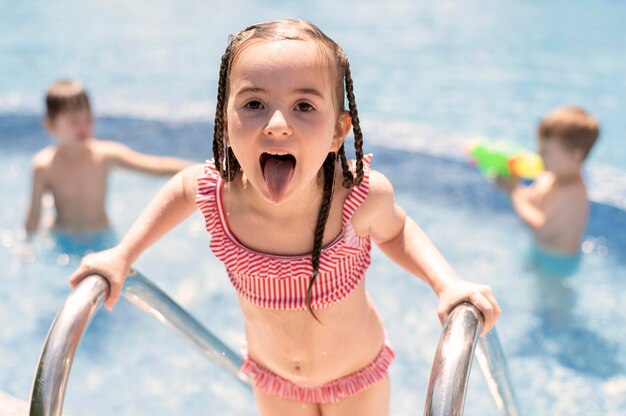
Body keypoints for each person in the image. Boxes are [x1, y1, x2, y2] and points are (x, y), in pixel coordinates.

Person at [68, 20, 500, 416]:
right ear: (224, 122)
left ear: (338, 132)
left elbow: (399, 230)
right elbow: (179, 191)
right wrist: (122, 256)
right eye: (254, 103)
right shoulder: (220, 195)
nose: (276, 125)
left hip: (354, 380)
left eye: (305, 107)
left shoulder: (356, 198)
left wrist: (445, 283)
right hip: (273, 380)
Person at [25, 80, 191, 238]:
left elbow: (155, 167)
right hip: (62, 236)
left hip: (101, 235)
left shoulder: (105, 155)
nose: (83, 126)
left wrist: (197, 168)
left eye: (88, 118)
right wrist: (27, 247)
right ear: (50, 125)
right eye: (74, 121)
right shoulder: (44, 166)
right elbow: (34, 216)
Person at [497, 106, 600, 276]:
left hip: (558, 264)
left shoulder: (573, 194)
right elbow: (531, 201)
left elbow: (541, 230)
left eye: (546, 151)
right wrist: (510, 187)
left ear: (575, 156)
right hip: (537, 250)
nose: (539, 155)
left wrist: (515, 192)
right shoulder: (550, 175)